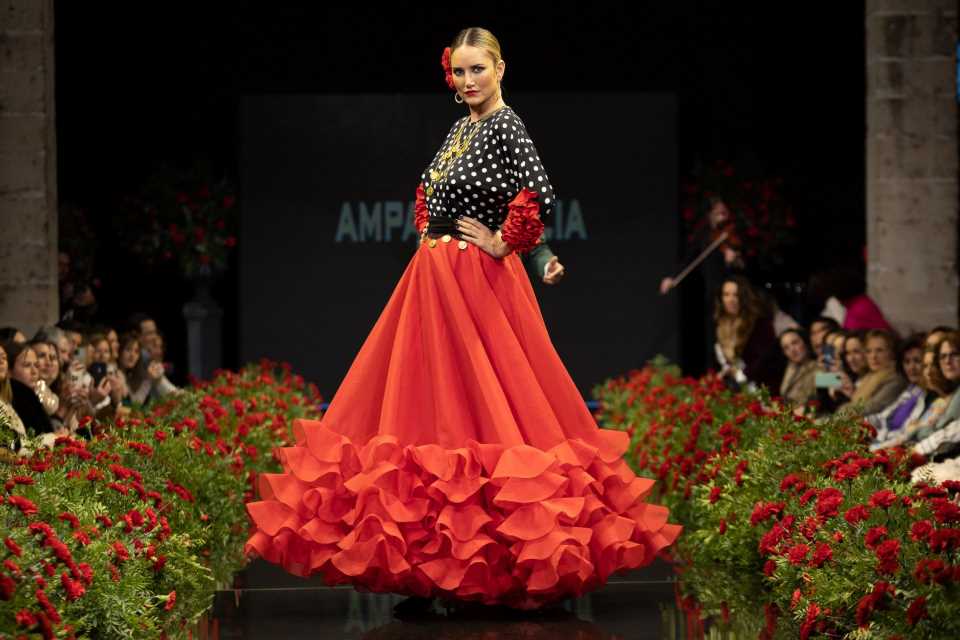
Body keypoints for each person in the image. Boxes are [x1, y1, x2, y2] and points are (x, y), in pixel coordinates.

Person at [245, 27, 680, 609]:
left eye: (479, 69)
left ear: (501, 68)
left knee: (490, 410)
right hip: (434, 279)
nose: (469, 81)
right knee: (430, 410)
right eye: (460, 72)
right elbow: (431, 191)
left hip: (477, 282)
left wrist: (507, 243)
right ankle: (435, 569)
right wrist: (431, 230)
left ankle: (500, 563)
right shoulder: (461, 128)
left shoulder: (506, 124)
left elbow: (538, 193)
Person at [713, 275, 782, 392]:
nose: (731, 299)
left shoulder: (759, 322)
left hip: (761, 387)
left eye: (736, 295)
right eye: (726, 295)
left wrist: (741, 375)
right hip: (735, 388)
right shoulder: (720, 324)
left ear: (744, 297)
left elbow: (766, 359)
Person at [868, 333, 926, 441]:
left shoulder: (925, 394)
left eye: (917, 361)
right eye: (907, 362)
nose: (911, 367)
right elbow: (882, 418)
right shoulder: (911, 389)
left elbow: (906, 434)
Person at [837, 330, 906, 417]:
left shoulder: (892, 377)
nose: (851, 359)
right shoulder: (849, 373)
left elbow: (871, 407)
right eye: (847, 353)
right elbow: (817, 382)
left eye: (856, 352)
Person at [778, 328, 817, 408]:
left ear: (805, 341)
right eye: (786, 348)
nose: (792, 350)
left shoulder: (819, 368)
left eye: (795, 343)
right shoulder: (791, 368)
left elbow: (838, 382)